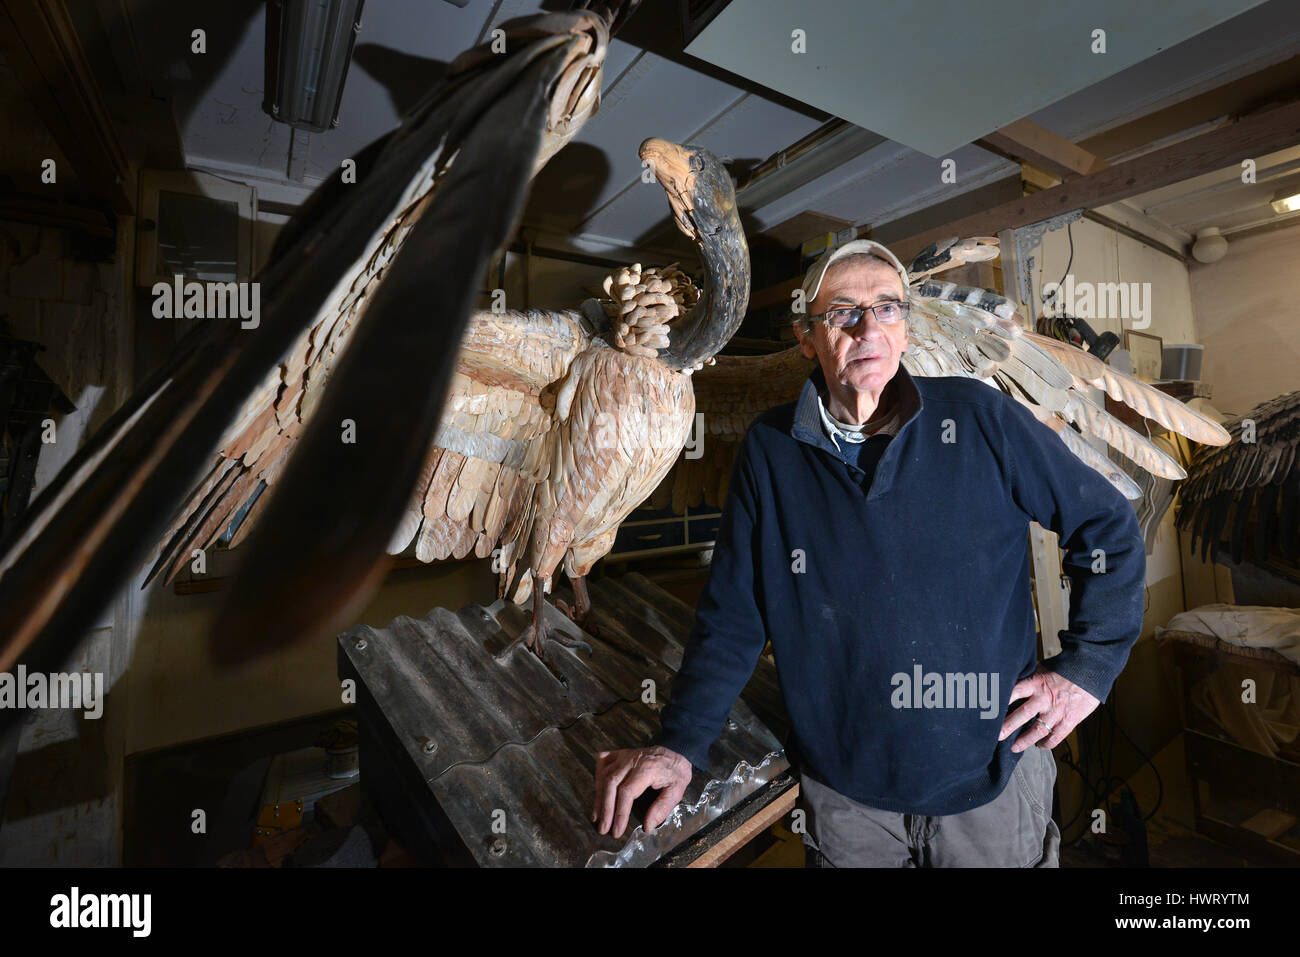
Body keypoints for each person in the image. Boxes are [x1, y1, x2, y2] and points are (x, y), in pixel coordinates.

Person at [590, 239, 1145, 867]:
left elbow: (1106, 524)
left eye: (886, 308)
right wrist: (680, 745)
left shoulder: (978, 417)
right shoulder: (772, 450)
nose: (866, 327)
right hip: (845, 796)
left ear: (905, 328)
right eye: (841, 312)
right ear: (807, 338)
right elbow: (733, 616)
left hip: (988, 778)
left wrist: (1088, 669)